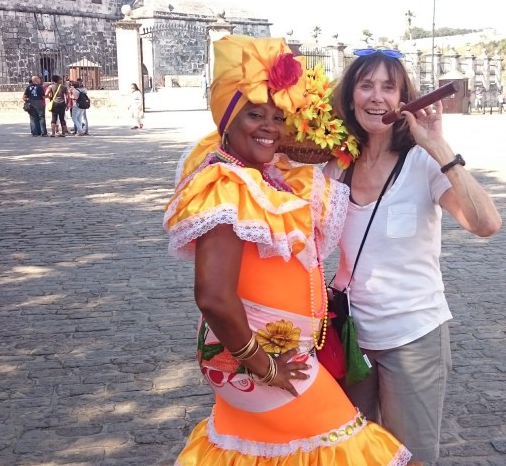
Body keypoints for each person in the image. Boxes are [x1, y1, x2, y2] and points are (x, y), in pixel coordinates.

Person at [164, 35, 411, 465]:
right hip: (254, 358)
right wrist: (263, 365)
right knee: (349, 448)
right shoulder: (226, 184)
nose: (270, 127)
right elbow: (213, 297)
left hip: (273, 354)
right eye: (254, 114)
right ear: (227, 119)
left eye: (278, 117)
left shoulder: (266, 176)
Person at [329, 50, 502, 466]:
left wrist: (439, 146)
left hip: (413, 335)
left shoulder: (422, 163)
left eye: (389, 87)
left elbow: (486, 224)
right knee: (352, 453)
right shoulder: (335, 166)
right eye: (366, 86)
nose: (377, 97)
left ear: (403, 99)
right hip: (352, 337)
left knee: (410, 458)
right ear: (351, 97)